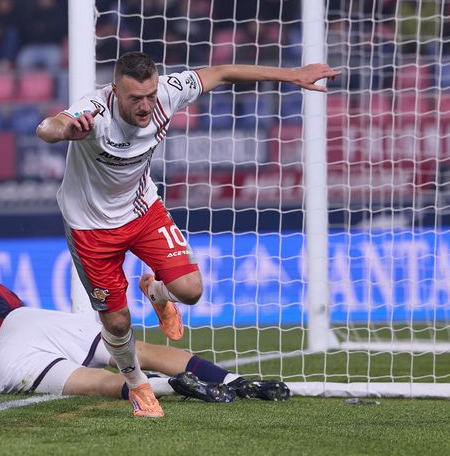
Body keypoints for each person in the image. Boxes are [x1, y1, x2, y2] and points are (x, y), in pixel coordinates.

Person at [35, 51, 339, 417]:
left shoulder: (168, 91)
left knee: (191, 291)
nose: (146, 106)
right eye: (135, 98)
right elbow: (47, 127)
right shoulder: (94, 110)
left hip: (142, 211)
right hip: (91, 228)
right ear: (115, 91)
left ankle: (157, 292)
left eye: (150, 95)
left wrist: (293, 75)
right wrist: (66, 131)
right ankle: (138, 386)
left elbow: (224, 72)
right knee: (116, 322)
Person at [0, 260, 290, 416]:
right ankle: (234, 380)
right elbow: (12, 307)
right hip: (24, 322)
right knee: (134, 351)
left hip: (1, 364)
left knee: (97, 382)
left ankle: (170, 386)